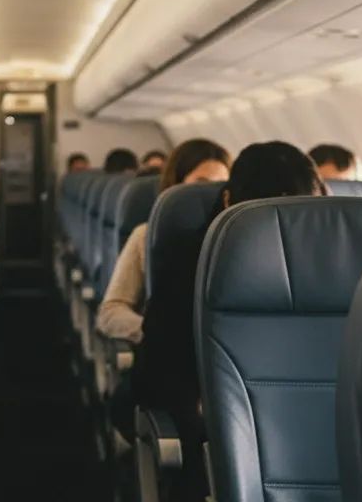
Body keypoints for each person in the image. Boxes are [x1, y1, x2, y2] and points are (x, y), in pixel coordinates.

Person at [132, 141, 325, 502]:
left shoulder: (350, 273)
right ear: (226, 203)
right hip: (217, 449)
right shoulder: (190, 267)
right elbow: (152, 378)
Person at [97, 138, 230, 343]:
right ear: (176, 185)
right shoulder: (146, 236)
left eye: (220, 185)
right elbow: (110, 313)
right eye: (201, 185)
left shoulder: (239, 243)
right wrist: (162, 334)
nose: (211, 194)